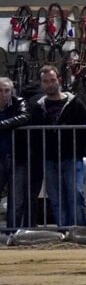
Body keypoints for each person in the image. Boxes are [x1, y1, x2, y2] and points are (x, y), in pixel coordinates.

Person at [28, 64, 86, 228]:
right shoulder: (37, 107)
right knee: (55, 198)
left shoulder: (75, 103)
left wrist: (80, 151)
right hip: (48, 159)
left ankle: (79, 231)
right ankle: (63, 230)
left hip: (71, 157)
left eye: (52, 80)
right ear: (41, 84)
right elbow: (34, 135)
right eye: (45, 81)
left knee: (75, 194)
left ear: (59, 80)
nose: (50, 83)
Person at [0, 77, 29, 229]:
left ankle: (13, 232)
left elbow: (24, 116)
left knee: (16, 198)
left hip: (15, 156)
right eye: (0, 90)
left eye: (7, 90)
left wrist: (2, 124)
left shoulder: (19, 102)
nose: (4, 94)